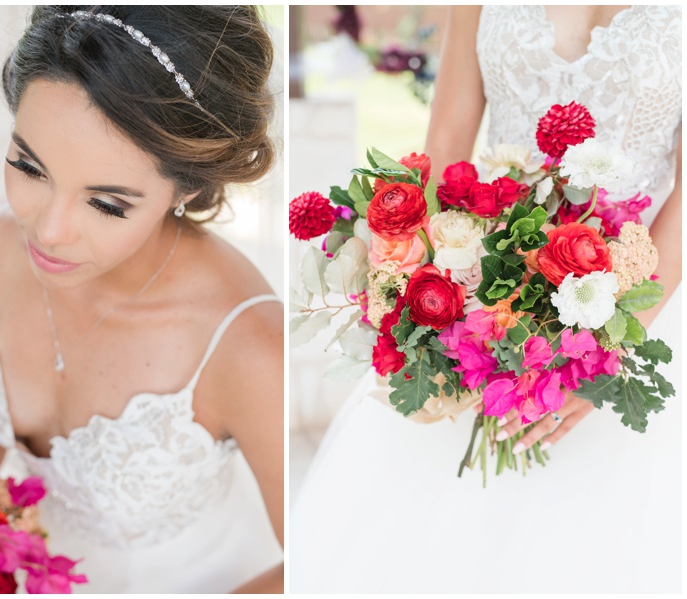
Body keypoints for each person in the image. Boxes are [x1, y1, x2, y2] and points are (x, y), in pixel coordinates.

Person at [291, 5, 681, 593]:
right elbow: (447, 140)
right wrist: (433, 282)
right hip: (488, 283)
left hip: (648, 289)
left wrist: (608, 348)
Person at [0, 6, 283, 594]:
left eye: (107, 203)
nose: (49, 230)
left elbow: (324, 563)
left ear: (188, 186)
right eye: (29, 166)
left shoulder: (248, 344)